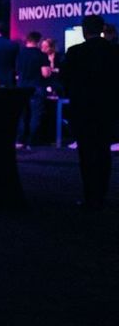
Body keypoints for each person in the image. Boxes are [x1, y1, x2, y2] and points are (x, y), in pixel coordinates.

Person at [61, 15, 119, 210]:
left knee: (86, 153)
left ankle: (89, 196)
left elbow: (65, 80)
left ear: (84, 29)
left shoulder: (75, 52)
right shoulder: (114, 51)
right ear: (102, 28)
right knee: (103, 151)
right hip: (107, 109)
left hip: (82, 109)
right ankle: (101, 195)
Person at [15, 31, 49, 149]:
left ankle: (20, 140)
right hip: (36, 87)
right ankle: (31, 141)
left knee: (22, 115)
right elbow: (45, 74)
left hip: (21, 87)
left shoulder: (19, 54)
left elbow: (17, 72)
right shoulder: (41, 55)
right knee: (35, 115)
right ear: (38, 41)